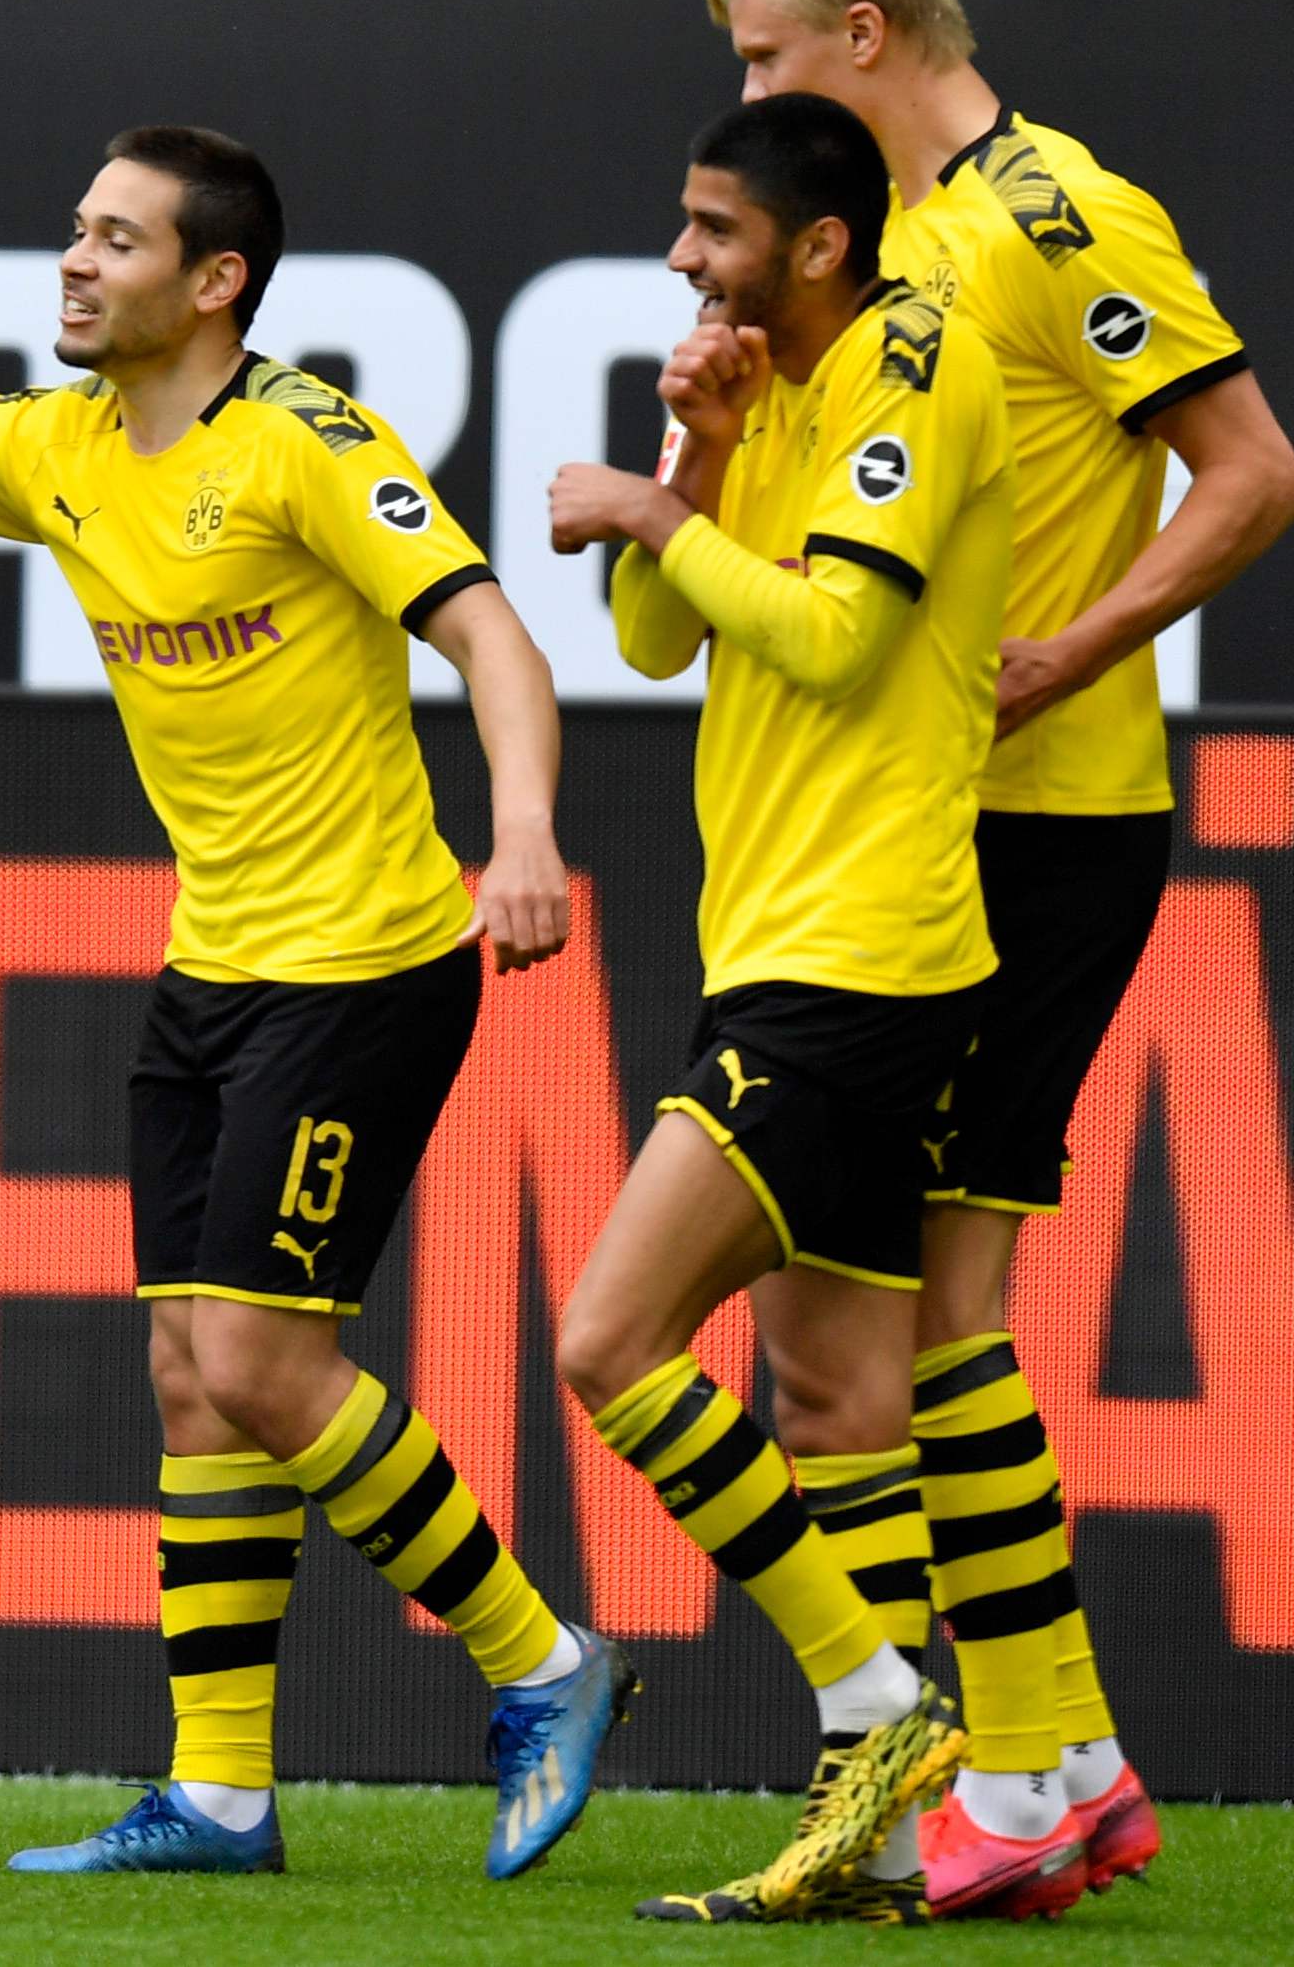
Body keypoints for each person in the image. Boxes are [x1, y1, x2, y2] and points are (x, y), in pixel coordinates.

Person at [0, 125, 630, 1883]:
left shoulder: (304, 443)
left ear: (213, 284)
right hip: (214, 966)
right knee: (189, 1379)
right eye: (73, 230)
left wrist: (520, 838)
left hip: (366, 961)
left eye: (117, 240)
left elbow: (498, 642)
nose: (73, 263)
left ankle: (545, 1659)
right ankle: (219, 1794)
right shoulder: (46, 445)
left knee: (261, 1362)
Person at [693, 0, 1294, 1917]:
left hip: (1033, 820)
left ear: (863, 39)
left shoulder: (1058, 217)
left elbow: (1248, 468)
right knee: (852, 1333)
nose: (751, 94)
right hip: (901, 826)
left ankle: (1020, 1764)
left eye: (769, 57)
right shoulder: (860, 254)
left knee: (922, 1314)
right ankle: (1048, 1758)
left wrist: (1076, 640)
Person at [545, 94, 1017, 1928]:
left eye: (713, 228)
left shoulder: (917, 361)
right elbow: (661, 643)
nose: (684, 257)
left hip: (861, 954)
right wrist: (712, 457)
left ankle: (881, 1703)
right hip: (786, 939)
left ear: (818, 243)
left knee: (608, 1342)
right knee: (831, 1403)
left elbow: (835, 637)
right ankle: (880, 1848)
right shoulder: (784, 391)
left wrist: (661, 506)